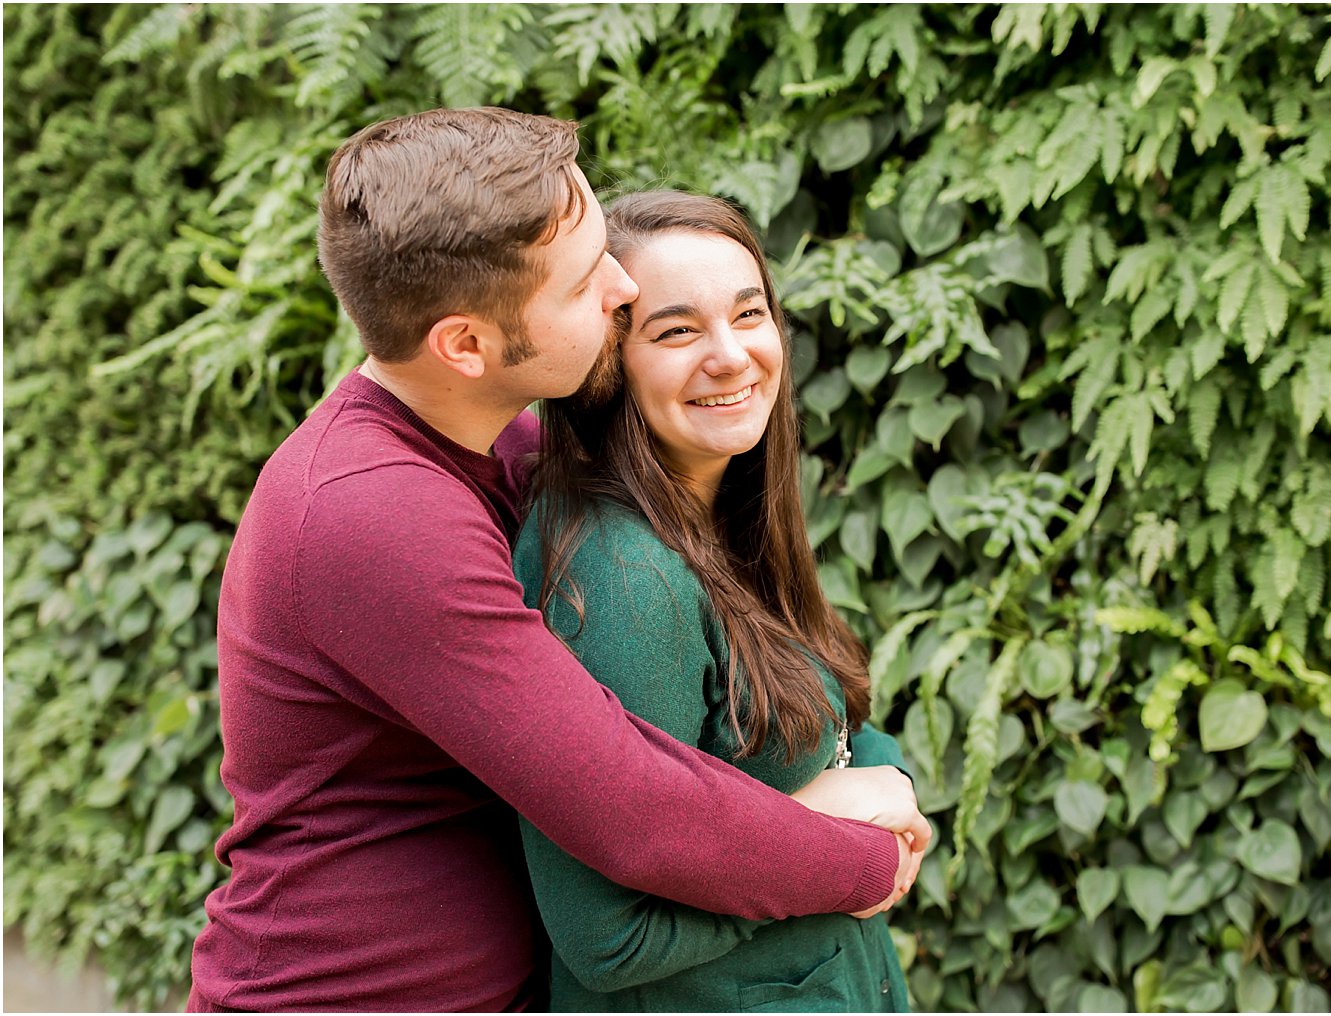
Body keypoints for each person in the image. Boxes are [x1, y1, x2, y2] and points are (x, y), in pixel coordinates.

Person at [186, 108, 928, 1013]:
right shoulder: (370, 515)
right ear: (466, 344)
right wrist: (864, 857)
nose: (622, 287)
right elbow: (632, 802)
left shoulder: (506, 450)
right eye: (582, 284)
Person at [512, 190, 916, 1012]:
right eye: (677, 330)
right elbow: (608, 937)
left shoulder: (721, 505)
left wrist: (888, 787)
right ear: (608, 361)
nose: (731, 355)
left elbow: (823, 724)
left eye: (749, 313)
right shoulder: (622, 581)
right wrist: (826, 842)